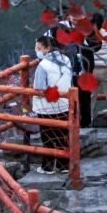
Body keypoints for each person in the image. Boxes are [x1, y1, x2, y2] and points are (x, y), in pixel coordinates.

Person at [31, 35, 72, 175]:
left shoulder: (43, 65)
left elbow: (39, 88)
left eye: (39, 48)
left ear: (47, 48)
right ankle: (64, 165)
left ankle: (47, 167)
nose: (36, 51)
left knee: (48, 138)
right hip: (64, 104)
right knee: (62, 136)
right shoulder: (66, 59)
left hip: (47, 108)